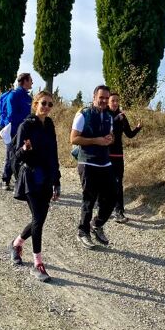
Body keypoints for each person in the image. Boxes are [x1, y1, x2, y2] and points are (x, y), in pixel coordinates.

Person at [10, 91, 61, 282]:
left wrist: (57, 180)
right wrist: (24, 149)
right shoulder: (26, 125)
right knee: (38, 219)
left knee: (38, 220)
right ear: (35, 104)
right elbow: (16, 155)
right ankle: (37, 263)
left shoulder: (49, 125)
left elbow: (54, 154)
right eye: (43, 103)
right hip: (30, 177)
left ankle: (16, 244)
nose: (46, 107)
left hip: (47, 178)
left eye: (50, 104)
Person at [70, 85, 116, 248]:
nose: (103, 100)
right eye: (101, 97)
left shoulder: (109, 116)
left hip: (105, 162)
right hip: (87, 162)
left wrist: (110, 139)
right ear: (94, 97)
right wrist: (96, 140)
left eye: (106, 98)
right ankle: (83, 232)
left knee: (112, 196)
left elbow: (109, 136)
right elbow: (74, 139)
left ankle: (96, 224)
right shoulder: (84, 114)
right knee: (89, 199)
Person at [108, 92, 142, 222]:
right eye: (113, 100)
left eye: (117, 100)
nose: (115, 103)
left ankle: (119, 212)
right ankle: (104, 206)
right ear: (108, 101)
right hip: (105, 155)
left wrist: (137, 128)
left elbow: (129, 134)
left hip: (117, 155)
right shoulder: (104, 115)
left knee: (118, 183)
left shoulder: (122, 116)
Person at [1, 73, 33, 190]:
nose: (32, 83)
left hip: (24, 131)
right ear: (24, 81)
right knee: (11, 155)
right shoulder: (14, 95)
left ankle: (19, 181)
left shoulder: (28, 97)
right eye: (30, 80)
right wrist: (18, 129)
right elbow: (11, 115)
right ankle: (6, 180)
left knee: (22, 155)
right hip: (14, 130)